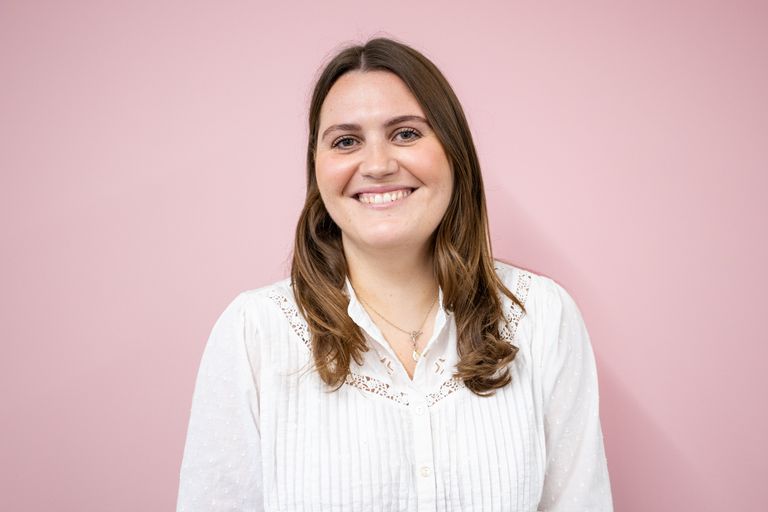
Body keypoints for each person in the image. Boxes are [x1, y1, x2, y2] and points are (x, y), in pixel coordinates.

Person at [176, 37, 613, 511]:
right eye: (346, 141)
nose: (378, 165)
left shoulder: (542, 317)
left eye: (405, 133)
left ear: (454, 152)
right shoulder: (254, 333)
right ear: (317, 169)